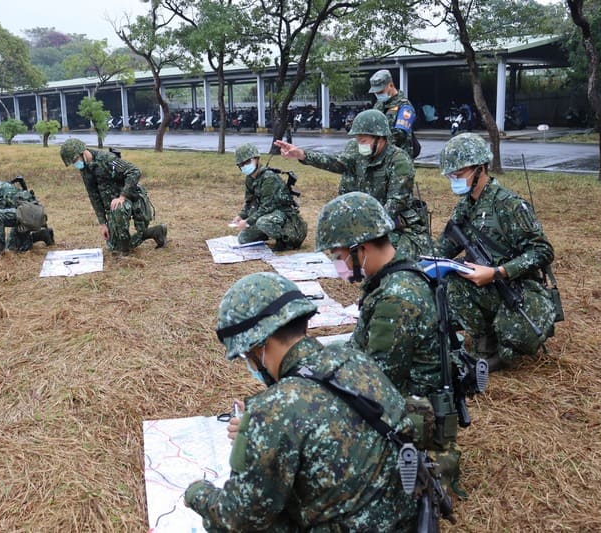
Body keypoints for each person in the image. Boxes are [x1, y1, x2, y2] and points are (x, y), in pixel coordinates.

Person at [184, 272, 417, 531]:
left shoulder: (273, 411)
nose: (249, 362)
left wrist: (197, 494)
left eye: (246, 354)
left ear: (260, 345)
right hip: (404, 517)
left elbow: (237, 517)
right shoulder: (354, 359)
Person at [315, 192, 461, 491]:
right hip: (414, 398)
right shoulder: (397, 276)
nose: (338, 264)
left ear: (362, 249)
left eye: (339, 256)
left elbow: (375, 383)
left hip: (414, 414)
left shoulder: (396, 299)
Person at [434, 133, 557, 371]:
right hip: (487, 283)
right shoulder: (467, 206)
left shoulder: (509, 205)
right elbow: (444, 247)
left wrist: (497, 272)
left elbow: (543, 251)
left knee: (517, 338)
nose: (454, 180)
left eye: (458, 174)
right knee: (450, 282)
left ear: (479, 169)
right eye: (451, 175)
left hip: (519, 287)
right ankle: (485, 342)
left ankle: (502, 344)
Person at [274, 109, 432, 259]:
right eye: (357, 139)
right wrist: (302, 155)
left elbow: (396, 203)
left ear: (380, 137)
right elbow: (336, 162)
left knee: (383, 251)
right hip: (368, 219)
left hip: (396, 224)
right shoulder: (358, 152)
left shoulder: (399, 160)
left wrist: (364, 232)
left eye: (363, 140)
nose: (359, 143)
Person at [59, 139, 166, 255]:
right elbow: (93, 195)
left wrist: (122, 196)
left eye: (75, 160)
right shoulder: (85, 169)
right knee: (112, 247)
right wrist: (103, 223)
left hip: (130, 200)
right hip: (112, 207)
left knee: (118, 209)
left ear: (83, 152)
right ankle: (154, 232)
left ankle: (124, 251)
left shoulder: (107, 159)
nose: (76, 164)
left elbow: (134, 171)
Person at [231, 143, 307, 251]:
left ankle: (285, 240)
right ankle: (267, 233)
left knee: (263, 222)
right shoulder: (250, 179)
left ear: (257, 159)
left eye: (247, 162)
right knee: (243, 239)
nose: (244, 166)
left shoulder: (269, 178)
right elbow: (250, 203)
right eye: (241, 164)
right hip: (268, 215)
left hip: (283, 214)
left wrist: (248, 222)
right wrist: (241, 216)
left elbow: (267, 207)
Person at [369, 69, 418, 158]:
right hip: (380, 156)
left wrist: (375, 141)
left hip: (399, 158)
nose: (377, 94)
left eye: (380, 91)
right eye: (376, 92)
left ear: (391, 85)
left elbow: (400, 133)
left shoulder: (405, 106)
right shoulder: (379, 105)